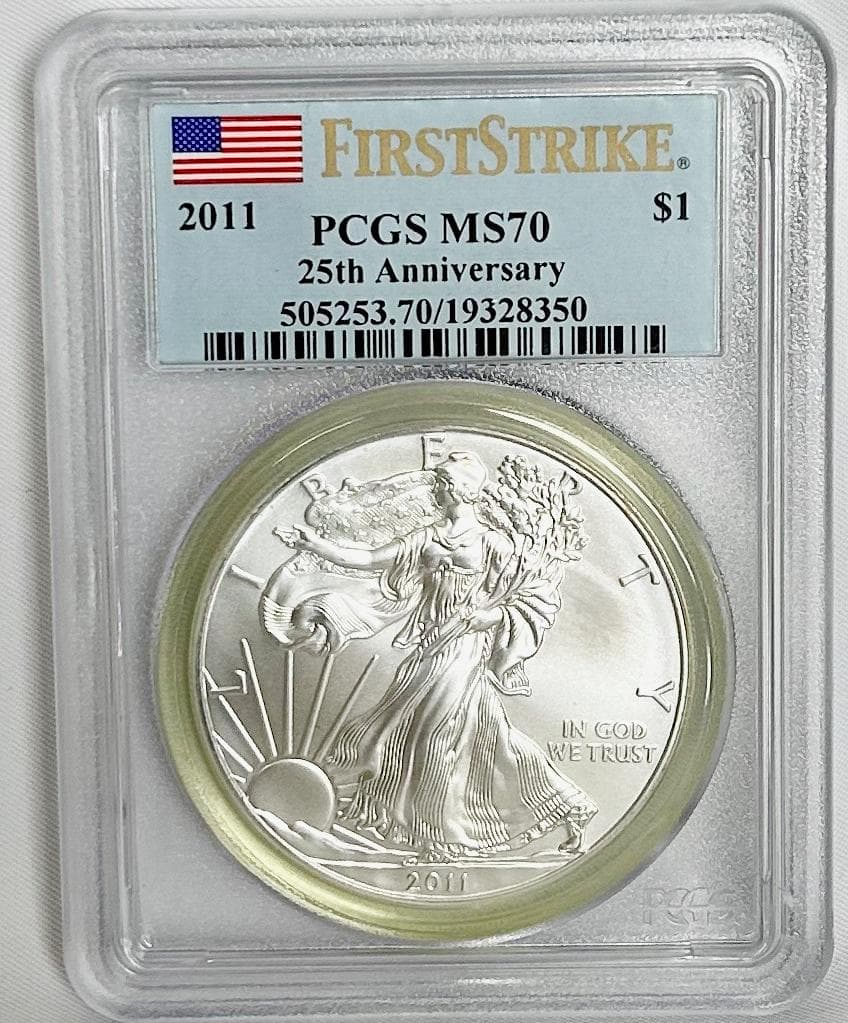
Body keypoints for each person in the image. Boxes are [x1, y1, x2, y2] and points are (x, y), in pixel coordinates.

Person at [283, 451, 597, 861]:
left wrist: (488, 617)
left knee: (434, 737)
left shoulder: (494, 544)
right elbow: (371, 560)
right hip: (430, 646)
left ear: (464, 490)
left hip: (465, 649)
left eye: (445, 484)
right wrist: (317, 545)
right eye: (439, 484)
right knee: (452, 736)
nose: (438, 491)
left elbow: (532, 597)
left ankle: (440, 838)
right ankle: (569, 806)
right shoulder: (426, 537)